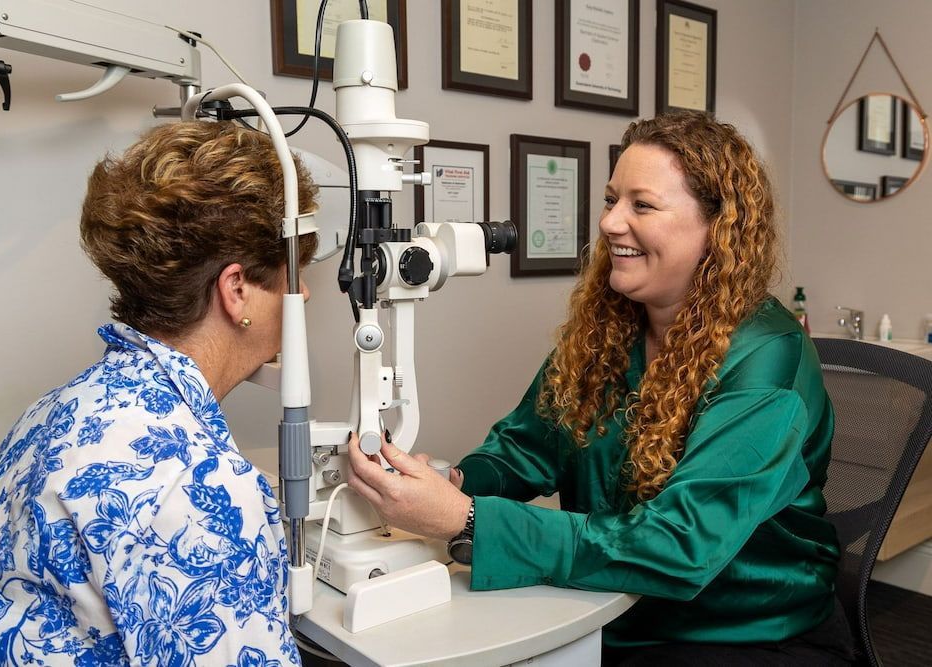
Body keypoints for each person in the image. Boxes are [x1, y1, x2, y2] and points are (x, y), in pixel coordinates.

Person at [347, 111, 857, 664]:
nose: (611, 222)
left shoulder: (767, 358)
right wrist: (457, 480)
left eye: (642, 205)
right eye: (611, 199)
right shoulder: (610, 328)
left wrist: (468, 519)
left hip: (738, 633)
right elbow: (526, 447)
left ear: (719, 227)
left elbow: (680, 546)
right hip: (609, 608)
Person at [0, 121, 317, 666]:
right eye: (290, 276)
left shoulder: (60, 408)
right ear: (236, 291)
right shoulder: (200, 492)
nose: (304, 294)